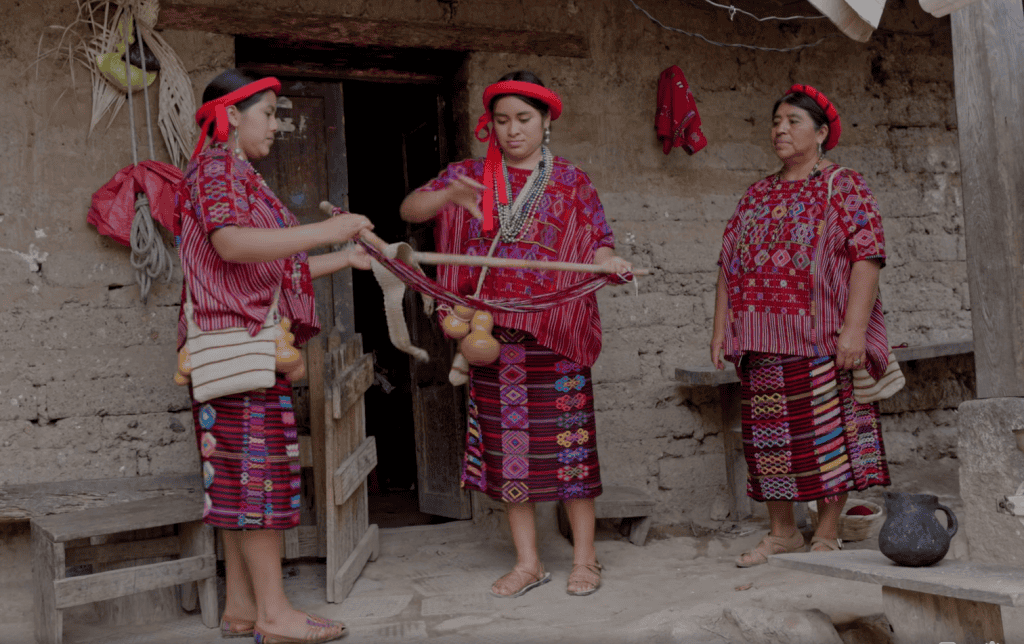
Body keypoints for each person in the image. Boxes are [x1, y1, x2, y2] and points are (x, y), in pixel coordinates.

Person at [400, 71, 631, 597]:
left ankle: (586, 559)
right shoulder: (468, 174)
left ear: (546, 120)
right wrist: (447, 197)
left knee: (572, 449)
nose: (512, 131)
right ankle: (529, 563)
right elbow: (409, 210)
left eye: (524, 119)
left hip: (557, 332)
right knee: (511, 452)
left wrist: (610, 262)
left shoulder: (571, 181)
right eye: (502, 120)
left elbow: (596, 242)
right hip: (492, 336)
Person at [177, 68, 373, 643]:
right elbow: (232, 244)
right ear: (232, 114)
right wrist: (325, 229)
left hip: (238, 347)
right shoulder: (216, 169)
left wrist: (344, 256)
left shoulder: (239, 176)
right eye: (268, 113)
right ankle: (274, 615)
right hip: (238, 347)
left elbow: (271, 267)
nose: (276, 126)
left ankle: (241, 607)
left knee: (237, 480)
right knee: (257, 478)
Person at [710, 84, 892, 567]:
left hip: (821, 339)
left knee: (826, 437)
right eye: (776, 122)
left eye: (793, 121)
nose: (780, 130)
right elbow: (729, 264)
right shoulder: (757, 194)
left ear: (821, 132)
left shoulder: (844, 186)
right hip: (761, 341)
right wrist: (719, 330)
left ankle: (827, 533)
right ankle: (783, 533)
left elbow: (867, 257)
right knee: (768, 440)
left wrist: (854, 330)